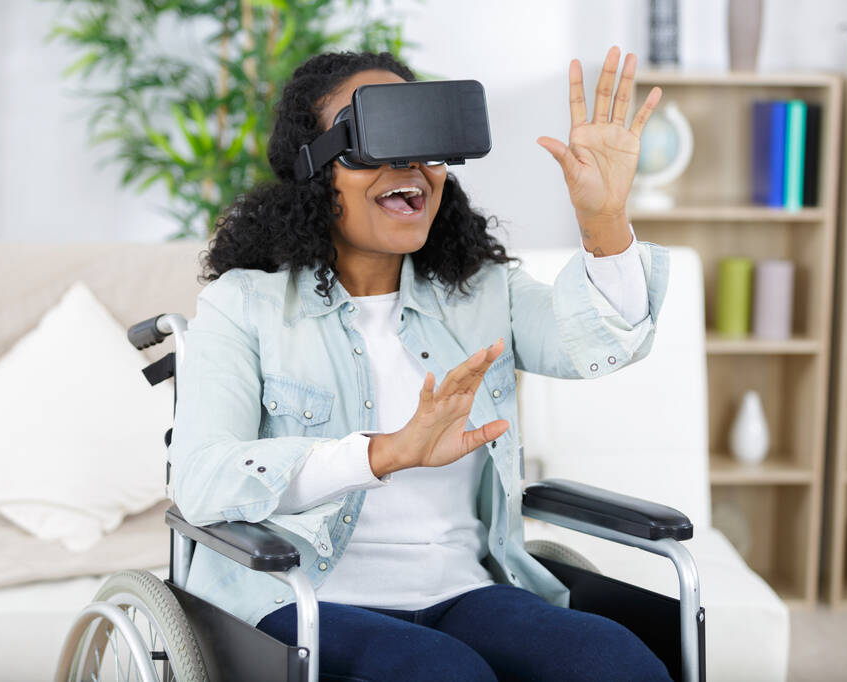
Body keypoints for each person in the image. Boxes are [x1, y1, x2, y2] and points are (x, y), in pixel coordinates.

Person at [169, 47, 671, 681]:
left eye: (421, 141)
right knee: (443, 674)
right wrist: (381, 454)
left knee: (617, 663)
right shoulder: (244, 305)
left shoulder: (486, 294)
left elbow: (599, 340)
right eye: (376, 141)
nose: (408, 165)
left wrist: (604, 220)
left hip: (464, 590)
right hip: (299, 597)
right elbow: (202, 479)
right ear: (318, 169)